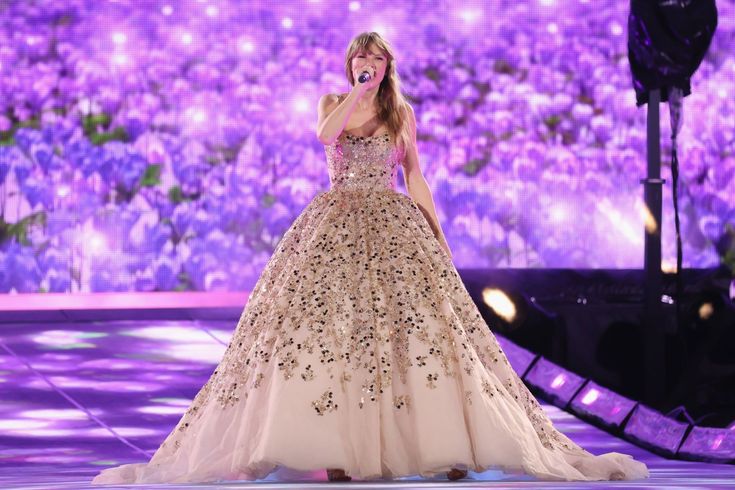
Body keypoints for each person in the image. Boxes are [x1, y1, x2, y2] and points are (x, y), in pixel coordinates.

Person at [91, 31, 649, 485]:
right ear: (350, 64)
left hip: (392, 225)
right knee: (328, 330)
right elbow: (325, 136)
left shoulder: (402, 114)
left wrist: (436, 231)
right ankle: (334, 447)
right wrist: (358, 93)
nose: (367, 64)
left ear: (388, 65)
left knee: (415, 332)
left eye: (376, 59)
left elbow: (416, 177)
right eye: (360, 58)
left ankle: (440, 443)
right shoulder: (336, 103)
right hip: (334, 225)